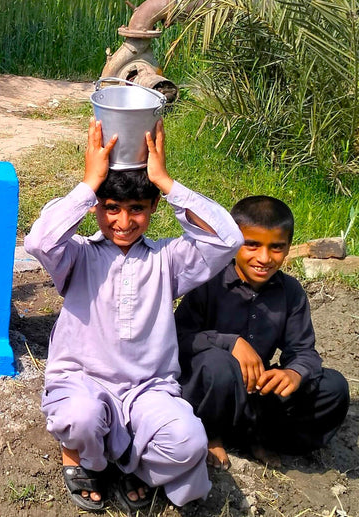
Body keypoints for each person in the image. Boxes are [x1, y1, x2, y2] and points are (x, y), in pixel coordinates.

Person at [24, 119, 243, 513]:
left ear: (154, 207)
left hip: (149, 390)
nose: (123, 223)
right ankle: (83, 458)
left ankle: (136, 468)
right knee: (82, 417)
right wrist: (89, 183)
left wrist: (166, 180)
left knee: (189, 440)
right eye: (111, 209)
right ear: (96, 208)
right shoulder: (77, 256)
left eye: (136, 209)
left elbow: (229, 239)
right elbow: (39, 240)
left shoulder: (168, 259)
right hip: (83, 382)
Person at [175, 195, 349, 470]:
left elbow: (304, 352)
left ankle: (259, 437)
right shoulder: (209, 281)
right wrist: (229, 343)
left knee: (334, 387)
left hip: (256, 397)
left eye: (276, 247)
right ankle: (211, 434)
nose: (264, 258)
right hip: (211, 393)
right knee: (217, 364)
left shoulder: (290, 292)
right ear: (233, 242)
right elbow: (178, 338)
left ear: (289, 247)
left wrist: (293, 373)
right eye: (252, 245)